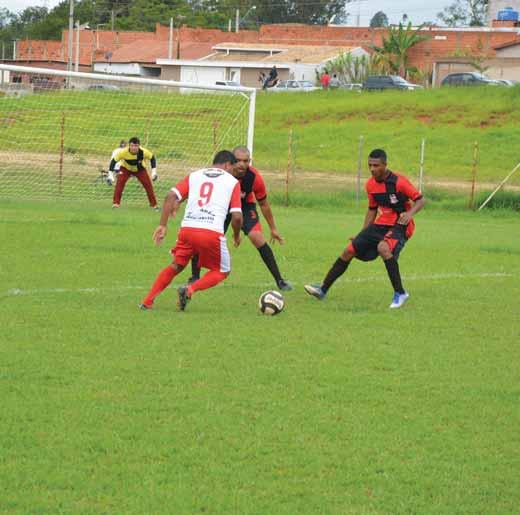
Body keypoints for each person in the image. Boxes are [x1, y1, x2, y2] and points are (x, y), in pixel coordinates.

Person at [304, 149, 425, 309]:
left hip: (401, 225)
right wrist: (362, 234)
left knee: (383, 248)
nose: (372, 169)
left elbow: (421, 200)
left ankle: (400, 293)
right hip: (381, 224)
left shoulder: (399, 182)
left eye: (376, 165)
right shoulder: (370, 185)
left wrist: (409, 214)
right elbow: (372, 210)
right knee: (349, 250)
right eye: (370, 165)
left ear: (385, 165)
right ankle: (323, 289)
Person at [139, 150, 242, 311]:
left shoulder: (195, 175)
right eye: (233, 168)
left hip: (187, 229)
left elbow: (170, 196)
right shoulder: (232, 182)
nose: (234, 172)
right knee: (222, 271)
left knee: (177, 265)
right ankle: (190, 289)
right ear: (228, 164)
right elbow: (236, 216)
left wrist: (163, 225)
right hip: (211, 231)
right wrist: (236, 235)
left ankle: (147, 301)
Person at [189, 146, 292, 291]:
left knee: (257, 237)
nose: (242, 164)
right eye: (238, 161)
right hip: (222, 206)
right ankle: (194, 276)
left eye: (246, 161)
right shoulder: (221, 174)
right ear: (231, 160)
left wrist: (273, 228)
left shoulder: (254, 177)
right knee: (205, 236)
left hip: (245, 206)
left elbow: (263, 204)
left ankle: (280, 280)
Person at [109, 136, 159, 209]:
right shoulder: (123, 152)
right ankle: (116, 204)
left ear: (139, 146)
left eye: (136, 146)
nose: (134, 148)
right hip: (125, 169)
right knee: (119, 184)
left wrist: (154, 172)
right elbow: (113, 161)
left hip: (140, 170)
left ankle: (154, 205)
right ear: (129, 145)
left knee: (148, 186)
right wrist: (110, 174)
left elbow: (152, 158)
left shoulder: (143, 152)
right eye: (132, 145)